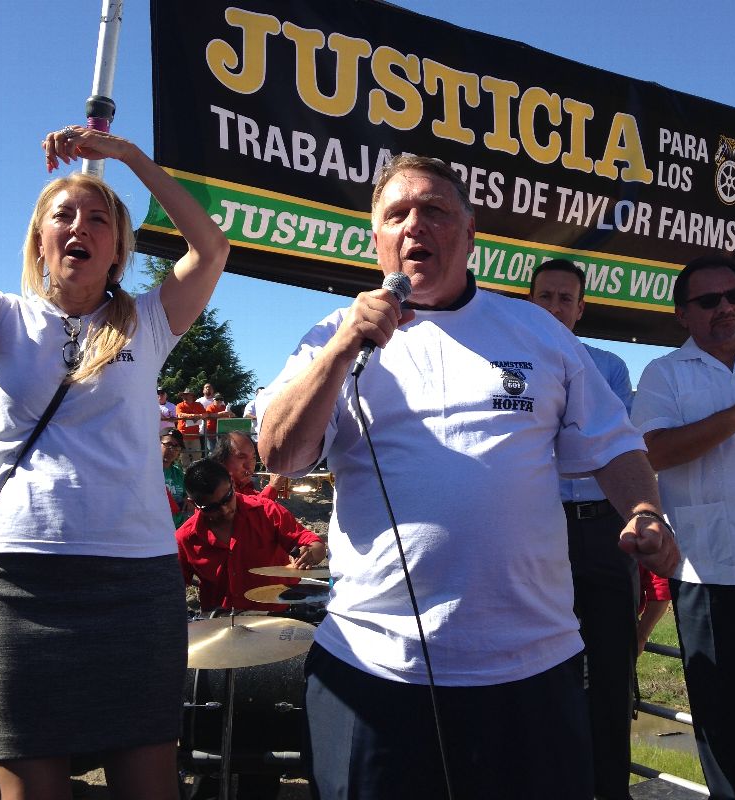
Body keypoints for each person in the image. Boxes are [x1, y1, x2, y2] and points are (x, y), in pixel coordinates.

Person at [256, 155, 679, 800]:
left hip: (531, 666)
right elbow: (280, 454)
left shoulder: (537, 332)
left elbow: (614, 445)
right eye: (397, 214)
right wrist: (341, 349)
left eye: (435, 210)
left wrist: (644, 511)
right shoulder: (330, 337)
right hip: (375, 666)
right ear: (376, 237)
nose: (414, 225)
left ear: (471, 232)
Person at [0, 124, 229, 799]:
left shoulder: (148, 322)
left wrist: (126, 156)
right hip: (22, 577)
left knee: (148, 782)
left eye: (98, 219)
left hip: (136, 579)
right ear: (39, 240)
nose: (79, 227)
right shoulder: (3, 319)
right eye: (63, 216)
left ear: (119, 250)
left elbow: (212, 247)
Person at [631, 253, 735, 800]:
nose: (725, 308)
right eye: (708, 300)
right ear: (682, 314)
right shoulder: (663, 374)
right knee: (724, 732)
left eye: (733, 297)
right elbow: (653, 452)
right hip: (708, 574)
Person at [528, 258, 638, 800]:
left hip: (605, 531)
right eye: (545, 297)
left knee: (612, 667)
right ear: (530, 303)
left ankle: (611, 788)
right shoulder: (510, 369)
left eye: (565, 299)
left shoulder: (609, 367)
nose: (554, 308)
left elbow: (614, 445)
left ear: (581, 308)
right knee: (542, 664)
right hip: (540, 531)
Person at [176, 459, 325, 612]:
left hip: (275, 618)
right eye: (211, 507)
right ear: (193, 503)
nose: (225, 510)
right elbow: (172, 588)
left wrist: (310, 552)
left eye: (227, 498)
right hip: (219, 622)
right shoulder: (185, 538)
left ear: (232, 483)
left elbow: (315, 544)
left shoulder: (267, 512)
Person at [210, 430, 287, 500]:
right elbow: (250, 508)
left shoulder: (246, 486)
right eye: (241, 457)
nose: (249, 466)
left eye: (253, 457)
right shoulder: (220, 489)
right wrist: (273, 487)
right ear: (222, 460)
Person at [161, 427, 188, 527]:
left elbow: (188, 495)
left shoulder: (179, 474)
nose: (172, 450)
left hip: (177, 528)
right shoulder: (148, 472)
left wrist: (188, 499)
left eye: (176, 446)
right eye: (168, 445)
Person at [176, 387, 204, 466]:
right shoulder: (179, 405)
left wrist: (199, 416)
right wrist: (193, 416)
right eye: (183, 395)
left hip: (195, 435)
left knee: (197, 456)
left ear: (192, 396)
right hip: (182, 435)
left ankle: (197, 471)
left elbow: (205, 414)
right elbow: (180, 415)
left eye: (187, 395)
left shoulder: (198, 405)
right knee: (184, 457)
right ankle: (185, 472)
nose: (184, 397)